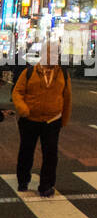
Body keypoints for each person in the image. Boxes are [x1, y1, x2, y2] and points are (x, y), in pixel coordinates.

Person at [11, 41, 71, 197]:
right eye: (51, 53)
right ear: (43, 54)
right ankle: (23, 181)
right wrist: (23, 109)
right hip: (29, 119)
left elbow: (67, 97)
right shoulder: (29, 72)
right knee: (26, 151)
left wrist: (64, 119)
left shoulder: (63, 74)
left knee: (51, 154)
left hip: (52, 121)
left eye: (56, 54)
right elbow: (17, 92)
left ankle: (46, 186)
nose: (54, 57)